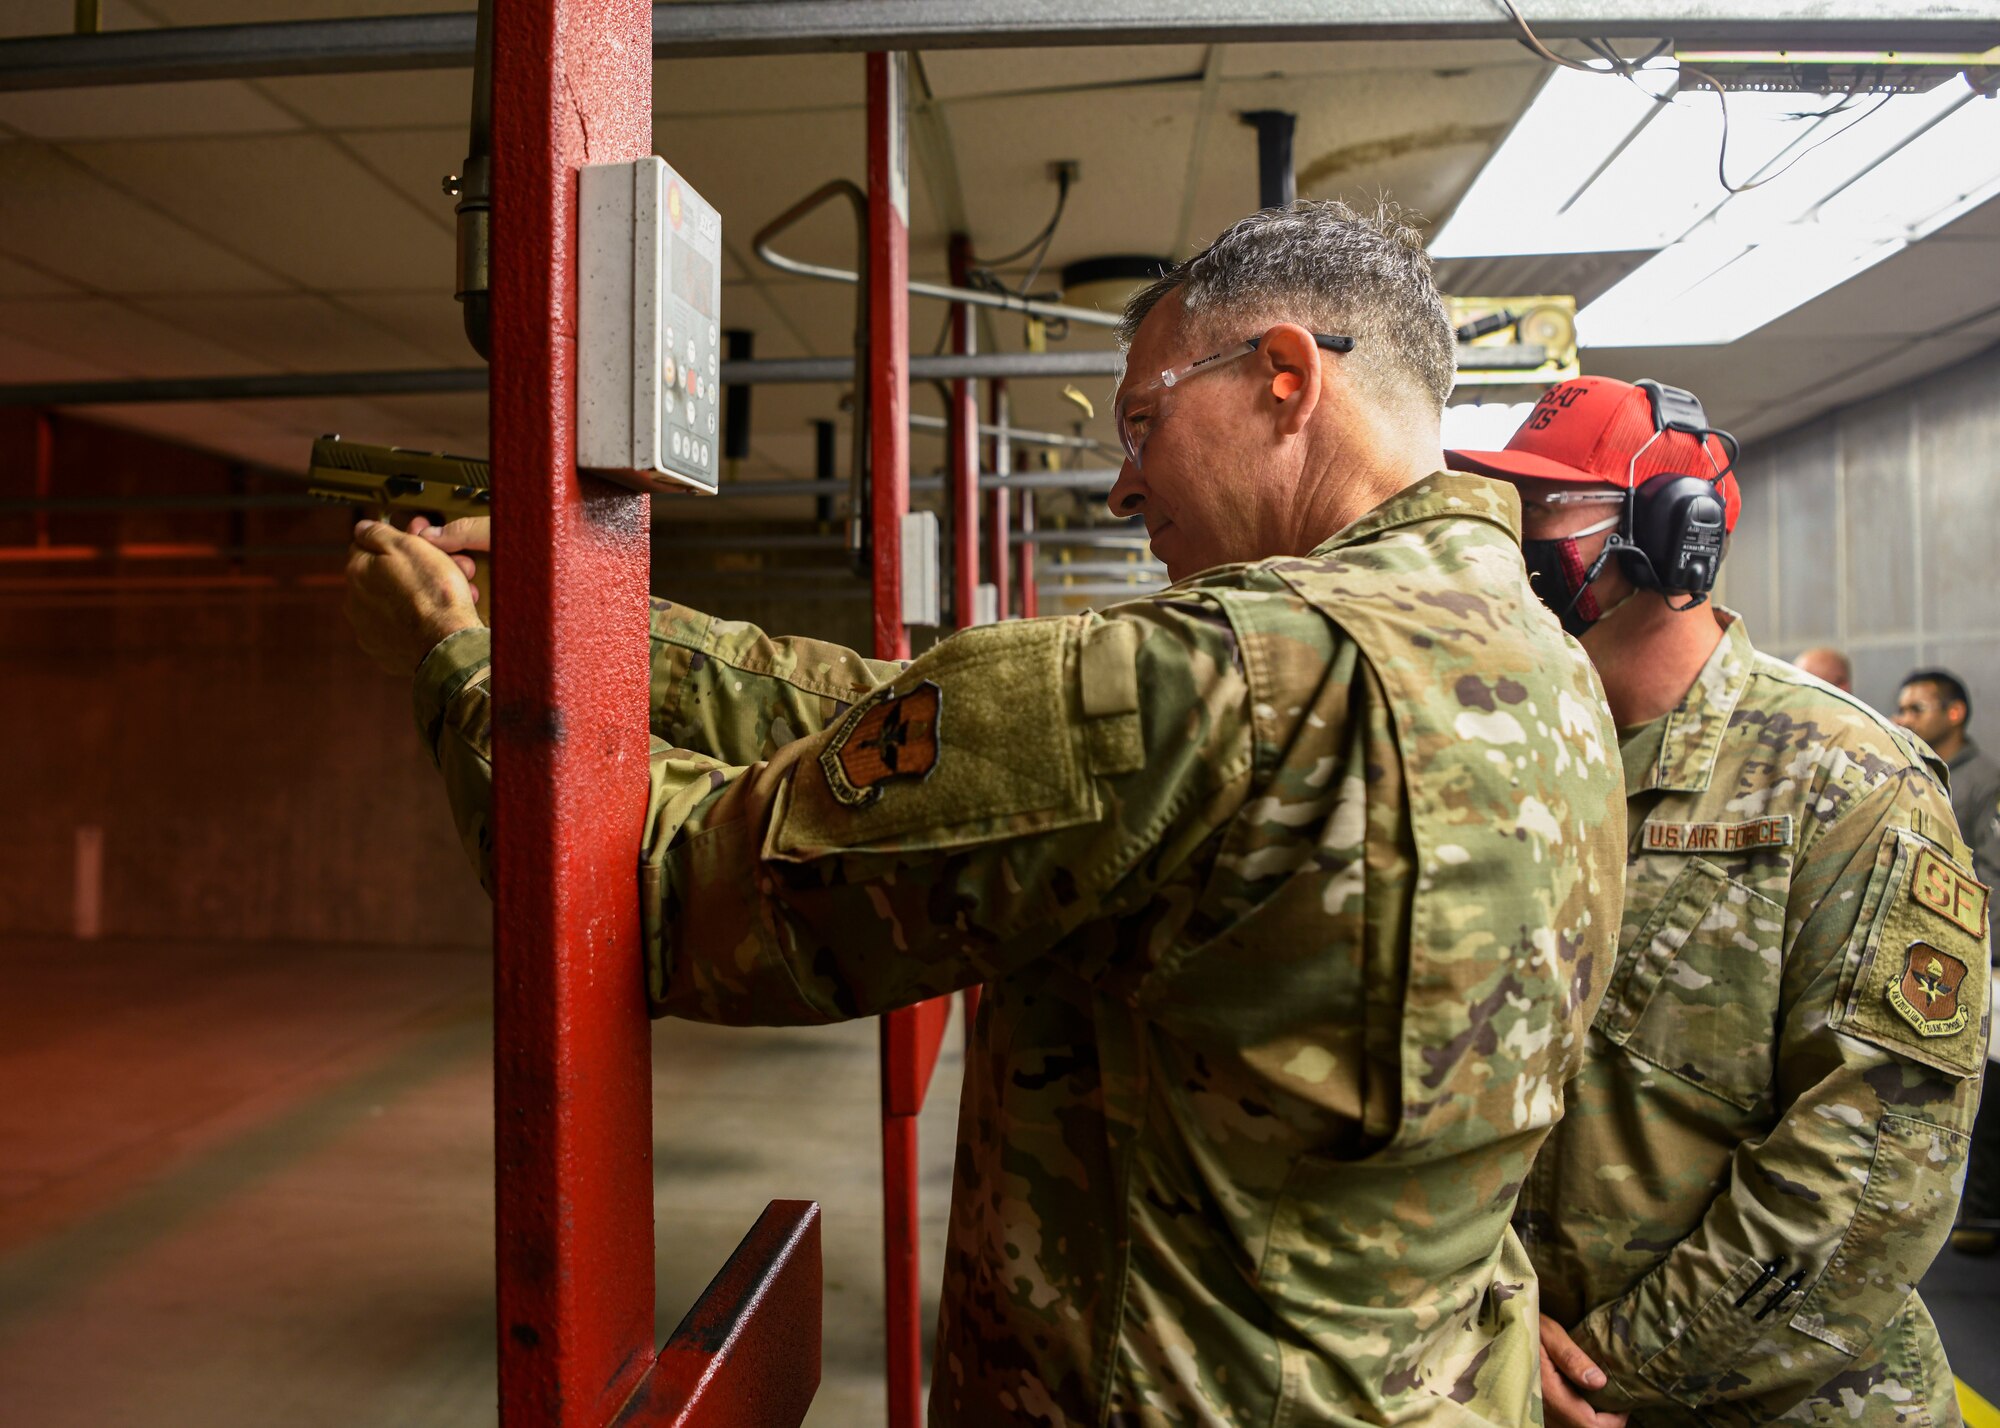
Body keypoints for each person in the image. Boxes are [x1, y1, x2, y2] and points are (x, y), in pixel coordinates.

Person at [345, 202, 1627, 1425]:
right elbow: (919, 725)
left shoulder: (1223, 675)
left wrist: (460, 669)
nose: (1125, 489)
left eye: (1142, 424)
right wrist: (593, 630)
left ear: (1282, 378)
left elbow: (667, 891)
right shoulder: (1543, 671)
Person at [1451, 376, 1989, 1428]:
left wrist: (1607, 1373)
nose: (1512, 537)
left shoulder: (1847, 783)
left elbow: (1874, 1170)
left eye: (1548, 507)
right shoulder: (1514, 762)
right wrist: (1505, 1323)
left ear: (1673, 534)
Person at [1894, 670, 2000, 878]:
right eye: (1902, 711)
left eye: (1917, 710)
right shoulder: (1909, 771)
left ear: (1955, 712)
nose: (1905, 720)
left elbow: (1994, 870)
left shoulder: (1986, 781)